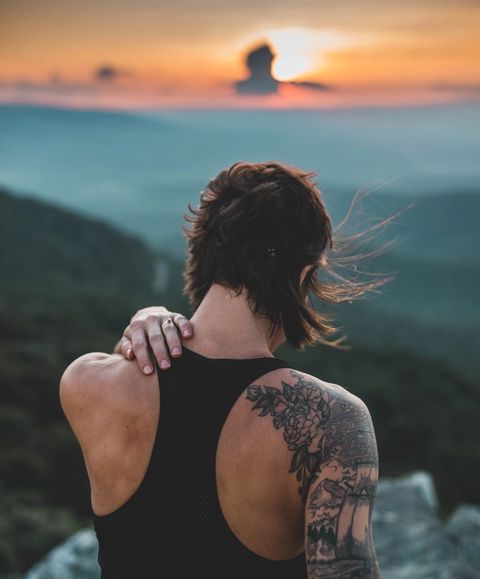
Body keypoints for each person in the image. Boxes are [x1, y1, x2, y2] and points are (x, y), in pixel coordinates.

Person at [60, 161, 386, 578]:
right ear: (303, 275)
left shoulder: (84, 382)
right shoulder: (334, 424)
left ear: (201, 255)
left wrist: (144, 326)